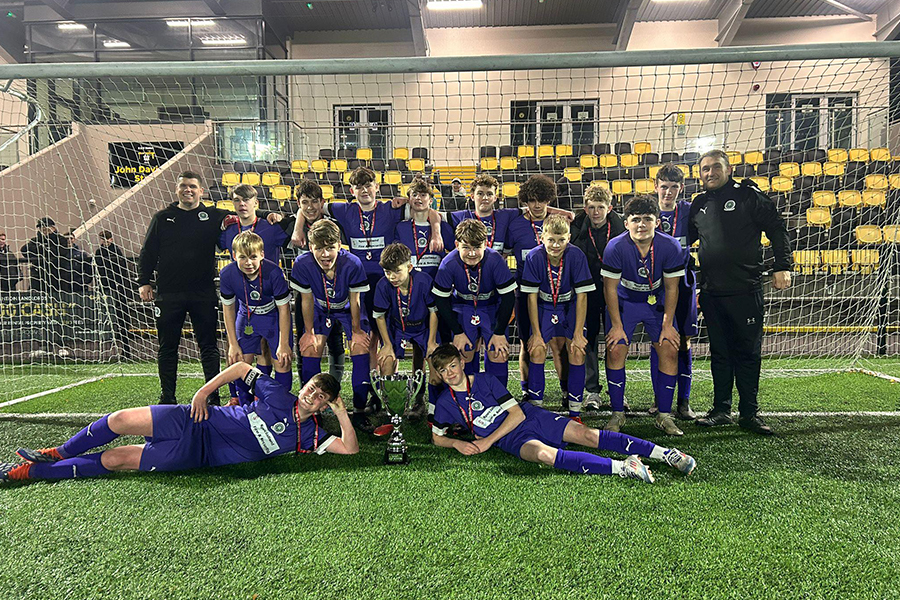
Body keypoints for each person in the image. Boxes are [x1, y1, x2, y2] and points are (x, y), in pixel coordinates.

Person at [0, 363, 357, 483]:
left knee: (114, 459)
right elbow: (239, 368)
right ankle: (58, 452)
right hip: (196, 418)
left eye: (321, 396)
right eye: (312, 388)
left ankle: (25, 472)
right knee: (120, 419)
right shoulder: (278, 394)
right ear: (304, 386)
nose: (312, 396)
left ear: (324, 403)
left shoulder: (309, 435)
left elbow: (350, 449)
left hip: (196, 455)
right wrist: (204, 392)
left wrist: (341, 412)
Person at [428, 344, 696, 483]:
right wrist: (457, 444)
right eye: (443, 370)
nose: (450, 373)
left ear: (461, 362)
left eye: (452, 366)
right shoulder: (444, 402)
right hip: (511, 440)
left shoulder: (485, 380)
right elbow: (437, 438)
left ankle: (666, 454)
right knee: (544, 456)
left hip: (530, 417)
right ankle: (624, 467)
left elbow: (516, 415)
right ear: (438, 374)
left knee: (587, 435)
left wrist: (487, 441)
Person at [138, 170, 279, 405]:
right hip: (169, 293)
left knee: (209, 347)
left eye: (193, 186)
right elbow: (148, 251)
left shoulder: (213, 215)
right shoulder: (162, 218)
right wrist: (144, 281)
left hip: (202, 293)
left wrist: (267, 214)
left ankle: (213, 397)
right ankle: (167, 397)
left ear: (201, 191)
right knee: (167, 347)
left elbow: (244, 211)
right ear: (177, 190)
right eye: (184, 186)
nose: (188, 190)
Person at [689, 149, 792, 435]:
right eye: (705, 169)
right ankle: (721, 410)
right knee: (720, 353)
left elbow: (777, 229)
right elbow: (683, 241)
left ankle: (749, 413)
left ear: (729, 169)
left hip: (745, 290)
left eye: (715, 167)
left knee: (747, 354)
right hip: (712, 292)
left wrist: (782, 266)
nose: (710, 173)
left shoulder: (749, 196)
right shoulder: (699, 204)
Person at [602, 195, 686, 436]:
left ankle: (664, 415)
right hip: (625, 302)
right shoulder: (615, 247)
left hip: (655, 301)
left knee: (669, 347)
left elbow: (672, 288)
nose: (641, 224)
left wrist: (668, 325)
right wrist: (616, 325)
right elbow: (609, 289)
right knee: (615, 347)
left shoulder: (670, 246)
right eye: (636, 219)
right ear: (626, 223)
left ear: (657, 222)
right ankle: (617, 413)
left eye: (647, 219)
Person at [291, 219, 374, 432]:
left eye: (330, 248)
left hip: (348, 309)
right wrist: (309, 332)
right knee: (310, 348)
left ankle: (359, 410)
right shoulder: (302, 263)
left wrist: (356, 331)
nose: (325, 254)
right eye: (319, 248)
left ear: (339, 245)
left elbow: (355, 301)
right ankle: (313, 412)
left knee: (360, 347)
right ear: (311, 247)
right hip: (320, 309)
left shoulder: (353, 263)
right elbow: (306, 300)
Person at [521, 215, 594, 419]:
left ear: (568, 238)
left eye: (561, 240)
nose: (556, 245)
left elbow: (582, 296)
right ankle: (536, 410)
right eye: (551, 239)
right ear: (542, 237)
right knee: (537, 349)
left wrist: (578, 333)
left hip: (569, 306)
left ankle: (575, 412)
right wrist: (536, 334)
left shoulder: (576, 256)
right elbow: (531, 298)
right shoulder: (534, 257)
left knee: (577, 350)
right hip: (543, 307)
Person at [432, 219, 516, 387]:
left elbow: (508, 297)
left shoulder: (496, 260)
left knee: (499, 352)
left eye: (477, 247)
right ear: (457, 245)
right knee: (463, 352)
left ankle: (497, 398)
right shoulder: (448, 264)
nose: (472, 253)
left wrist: (499, 332)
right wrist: (457, 332)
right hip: (463, 308)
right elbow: (441, 300)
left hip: (491, 308)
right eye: (466, 248)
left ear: (486, 244)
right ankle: (468, 396)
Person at [648, 165, 699, 420]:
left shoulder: (689, 211)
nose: (668, 192)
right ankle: (660, 398)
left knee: (685, 340)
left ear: (681, 188)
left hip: (684, 283)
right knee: (658, 341)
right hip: (656, 284)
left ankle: (684, 401)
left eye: (674, 187)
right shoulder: (647, 211)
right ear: (656, 186)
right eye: (664, 187)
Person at [220, 232, 293, 404]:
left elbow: (284, 309)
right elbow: (228, 309)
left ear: (262, 255)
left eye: (253, 257)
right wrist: (232, 344)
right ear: (234, 256)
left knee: (282, 361)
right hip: (246, 317)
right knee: (239, 361)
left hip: (272, 318)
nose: (248, 263)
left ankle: (280, 406)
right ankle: (245, 407)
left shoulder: (274, 272)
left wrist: (283, 343)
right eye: (242, 257)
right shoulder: (227, 274)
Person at [571, 186, 625, 410]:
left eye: (600, 207)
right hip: (588, 291)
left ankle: (618, 390)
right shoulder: (576, 227)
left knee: (615, 339)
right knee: (589, 339)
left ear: (609, 208)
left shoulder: (621, 228)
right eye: (591, 207)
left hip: (615, 291)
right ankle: (592, 391)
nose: (596, 212)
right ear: (585, 208)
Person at [291, 179, 347, 385]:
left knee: (335, 338)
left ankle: (333, 386)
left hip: (333, 292)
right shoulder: (291, 225)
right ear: (298, 204)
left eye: (315, 201)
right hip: (304, 293)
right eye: (305, 202)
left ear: (322, 202)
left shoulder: (334, 225)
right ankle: (305, 386)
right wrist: (296, 226)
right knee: (304, 339)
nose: (310, 207)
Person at [373, 243, 439, 415]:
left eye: (397, 271)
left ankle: (427, 405)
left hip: (422, 327)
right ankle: (391, 408)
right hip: (397, 328)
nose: (392, 277)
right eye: (388, 272)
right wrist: (387, 344)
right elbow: (379, 316)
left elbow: (433, 312)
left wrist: (431, 342)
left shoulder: (424, 281)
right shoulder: (383, 285)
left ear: (409, 267)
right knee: (386, 361)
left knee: (435, 362)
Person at [219, 184, 295, 265]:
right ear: (233, 203)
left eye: (246, 199)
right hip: (238, 273)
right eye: (237, 200)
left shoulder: (272, 227)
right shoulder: (227, 230)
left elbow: (298, 222)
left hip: (267, 273)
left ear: (256, 203)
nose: (241, 203)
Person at [393, 179, 454, 280]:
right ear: (409, 200)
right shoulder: (401, 227)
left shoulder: (443, 227)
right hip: (409, 282)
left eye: (423, 195)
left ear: (431, 200)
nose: (418, 198)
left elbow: (455, 252)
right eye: (414, 195)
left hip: (436, 282)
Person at [95, 230, 135, 360]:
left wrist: (119, 284)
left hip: (118, 288)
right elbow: (99, 270)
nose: (104, 241)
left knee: (121, 317)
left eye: (106, 239)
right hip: (106, 288)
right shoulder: (99, 252)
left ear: (111, 239)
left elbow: (121, 269)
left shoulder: (116, 251)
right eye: (102, 239)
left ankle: (126, 349)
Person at [20, 217, 66, 295]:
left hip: (56, 275)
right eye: (41, 227)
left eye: (46, 227)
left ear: (53, 228)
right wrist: (42, 250)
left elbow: (60, 252)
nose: (44, 229)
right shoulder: (36, 240)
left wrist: (41, 249)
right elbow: (24, 250)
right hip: (38, 274)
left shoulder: (60, 240)